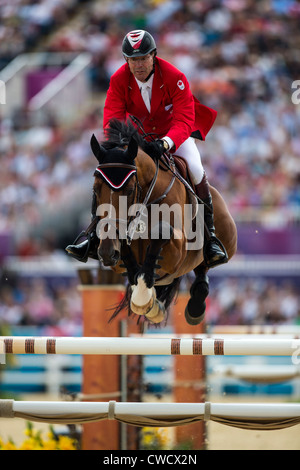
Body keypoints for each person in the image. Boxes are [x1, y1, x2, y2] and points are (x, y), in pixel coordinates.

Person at [66, 30, 227, 267]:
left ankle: (210, 236)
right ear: (126, 60)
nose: (138, 64)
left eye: (143, 58)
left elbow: (184, 119)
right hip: (139, 139)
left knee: (195, 168)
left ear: (154, 56)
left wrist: (165, 143)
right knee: (108, 174)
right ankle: (92, 236)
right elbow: (113, 118)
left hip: (174, 137)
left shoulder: (175, 77)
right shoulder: (119, 79)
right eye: (133, 59)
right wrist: (118, 146)